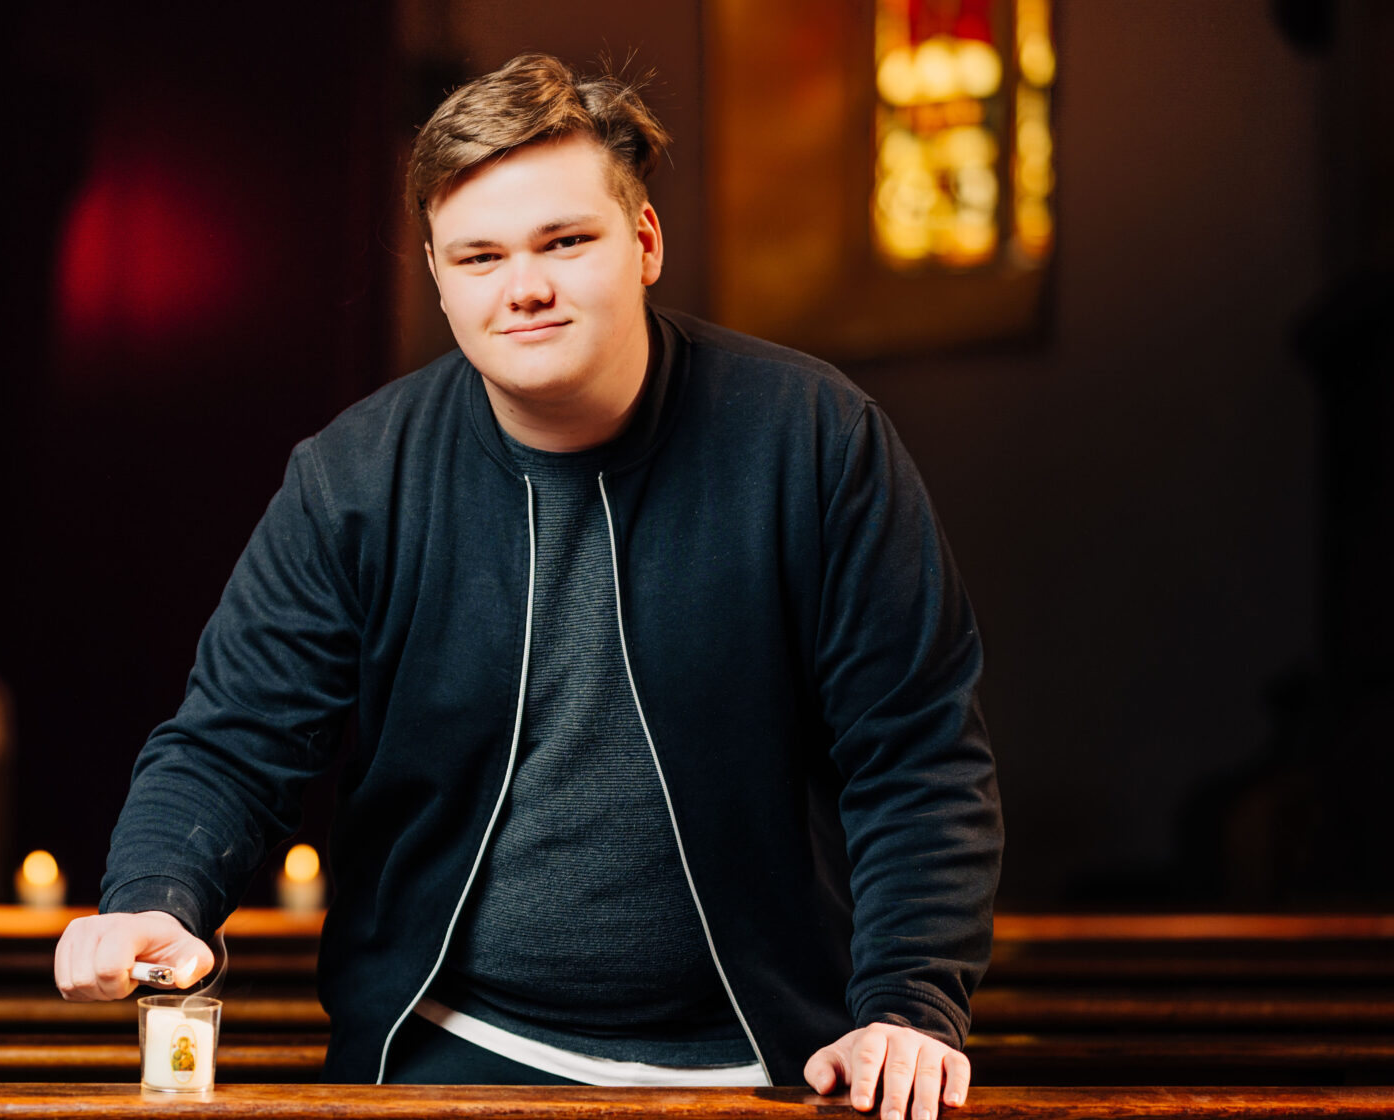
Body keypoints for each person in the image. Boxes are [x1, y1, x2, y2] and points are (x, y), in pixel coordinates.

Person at [51, 52, 1002, 1119]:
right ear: (438, 275)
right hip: (444, 1059)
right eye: (480, 256)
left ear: (644, 242)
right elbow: (233, 739)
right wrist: (157, 896)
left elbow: (914, 753)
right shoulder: (354, 478)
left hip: (764, 1064)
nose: (525, 287)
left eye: (565, 241)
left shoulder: (813, 441)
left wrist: (909, 1006)